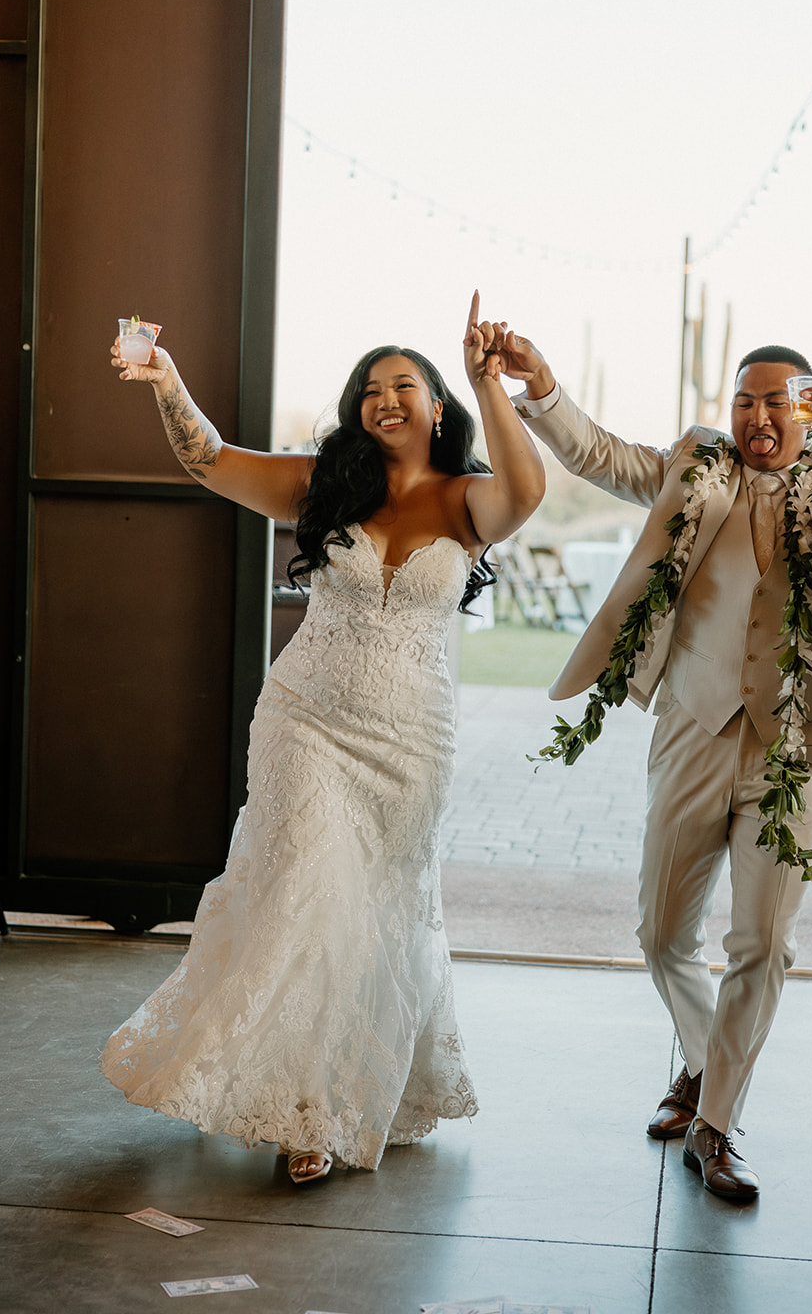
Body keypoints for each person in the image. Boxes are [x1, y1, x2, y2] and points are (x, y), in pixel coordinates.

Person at [480, 323, 812, 1201]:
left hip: (792, 746)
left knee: (763, 943)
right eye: (744, 399)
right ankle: (701, 1063)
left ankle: (717, 1124)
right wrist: (538, 384)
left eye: (776, 400)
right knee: (660, 935)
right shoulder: (694, 464)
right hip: (693, 728)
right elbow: (597, 454)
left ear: (809, 410)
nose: (756, 414)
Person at [99, 294, 545, 1183]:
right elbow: (211, 459)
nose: (385, 399)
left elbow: (529, 491)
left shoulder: (467, 500)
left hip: (411, 741)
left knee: (374, 911)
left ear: (435, 407)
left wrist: (487, 380)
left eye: (405, 386)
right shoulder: (321, 484)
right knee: (310, 887)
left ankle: (344, 1087)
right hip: (306, 718)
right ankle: (309, 1113)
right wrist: (166, 381)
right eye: (371, 388)